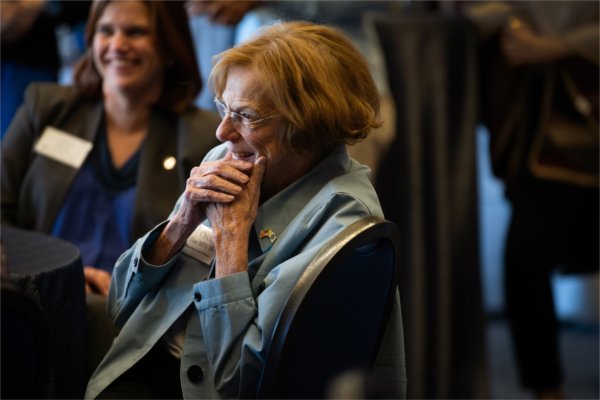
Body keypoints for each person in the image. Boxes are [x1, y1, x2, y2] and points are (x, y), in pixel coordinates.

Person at [84, 21, 406, 399]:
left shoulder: (340, 222)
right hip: (141, 363)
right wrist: (179, 224)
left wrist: (231, 241)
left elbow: (243, 383)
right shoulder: (230, 158)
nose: (222, 132)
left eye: (246, 115)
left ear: (307, 125)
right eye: (224, 107)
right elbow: (120, 305)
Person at [1, 0, 220, 377]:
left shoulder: (202, 136)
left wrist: (123, 284)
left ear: (169, 45)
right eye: (106, 31)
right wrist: (62, 275)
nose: (117, 44)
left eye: (135, 32)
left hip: (132, 315)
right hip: (36, 291)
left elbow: (203, 254)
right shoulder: (46, 107)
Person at [465, 1, 599, 399]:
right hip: (540, 129)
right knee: (525, 260)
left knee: (526, 259)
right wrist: (511, 26)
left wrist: (556, 46)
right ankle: (547, 388)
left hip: (576, 106)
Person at [1, 0, 90, 137]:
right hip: (24, 63)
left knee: (22, 139)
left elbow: (87, 6)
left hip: (30, 63)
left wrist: (43, 3)